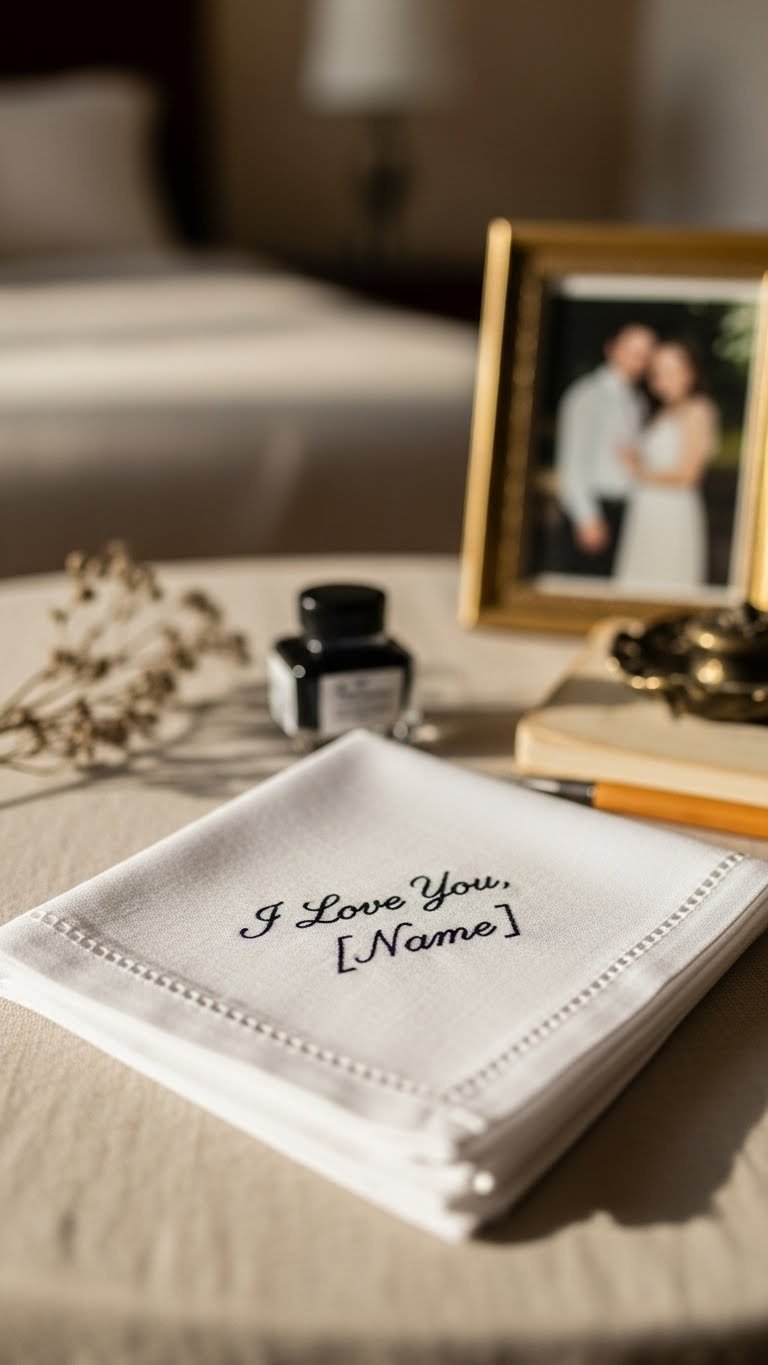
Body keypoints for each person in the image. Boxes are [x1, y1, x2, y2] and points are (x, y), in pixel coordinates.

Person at [614, 340, 719, 589]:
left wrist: (639, 471)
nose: (664, 380)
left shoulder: (698, 411)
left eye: (672, 371)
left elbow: (689, 475)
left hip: (672, 512)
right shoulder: (658, 412)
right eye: (658, 372)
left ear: (690, 373)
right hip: (646, 510)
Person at [554, 324, 656, 576]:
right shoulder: (586, 395)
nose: (639, 359)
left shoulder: (638, 401)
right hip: (594, 509)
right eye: (632, 350)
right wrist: (587, 518)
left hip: (628, 511)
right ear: (612, 349)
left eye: (646, 353)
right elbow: (572, 462)